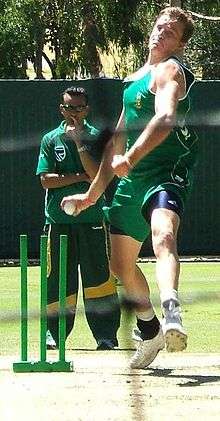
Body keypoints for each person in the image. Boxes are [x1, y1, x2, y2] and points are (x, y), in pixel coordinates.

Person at [61, 7, 198, 368]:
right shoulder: (135, 79)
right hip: (131, 180)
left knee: (163, 235)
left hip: (166, 170)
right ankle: (150, 330)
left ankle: (171, 307)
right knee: (120, 267)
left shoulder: (171, 70)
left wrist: (132, 158)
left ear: (180, 46)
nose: (160, 34)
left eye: (170, 32)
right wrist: (91, 194)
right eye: (159, 27)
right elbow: (115, 145)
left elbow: (165, 118)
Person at [36, 86, 121, 351]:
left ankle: (106, 335)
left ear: (88, 109)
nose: (75, 113)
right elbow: (46, 180)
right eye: (69, 107)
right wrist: (78, 178)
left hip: (92, 218)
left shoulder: (96, 137)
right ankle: (54, 334)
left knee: (99, 278)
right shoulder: (50, 139)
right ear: (61, 109)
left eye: (80, 107)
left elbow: (98, 175)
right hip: (59, 221)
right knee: (58, 279)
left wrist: (79, 143)